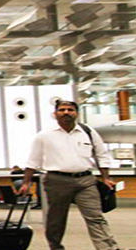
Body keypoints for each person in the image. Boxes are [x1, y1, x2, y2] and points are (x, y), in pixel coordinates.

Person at [18, 100, 124, 250]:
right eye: (62, 110)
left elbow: (101, 155)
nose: (66, 112)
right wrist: (25, 183)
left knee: (95, 217)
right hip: (57, 181)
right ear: (55, 114)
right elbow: (32, 161)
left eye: (70, 110)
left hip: (86, 180)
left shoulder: (88, 132)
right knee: (56, 219)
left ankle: (108, 248)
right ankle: (55, 246)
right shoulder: (44, 135)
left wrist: (106, 177)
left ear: (76, 113)